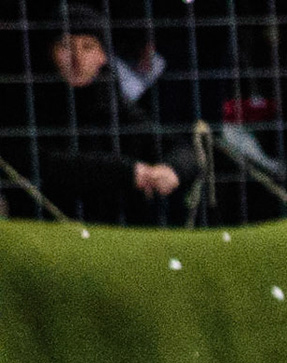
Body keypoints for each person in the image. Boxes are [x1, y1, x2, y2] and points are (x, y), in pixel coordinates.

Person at [1, 5, 200, 223]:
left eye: (88, 47)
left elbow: (181, 149)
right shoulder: (22, 103)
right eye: (66, 46)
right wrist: (128, 173)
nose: (77, 58)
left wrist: (172, 170)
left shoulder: (111, 103)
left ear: (102, 56)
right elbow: (38, 163)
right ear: (49, 52)